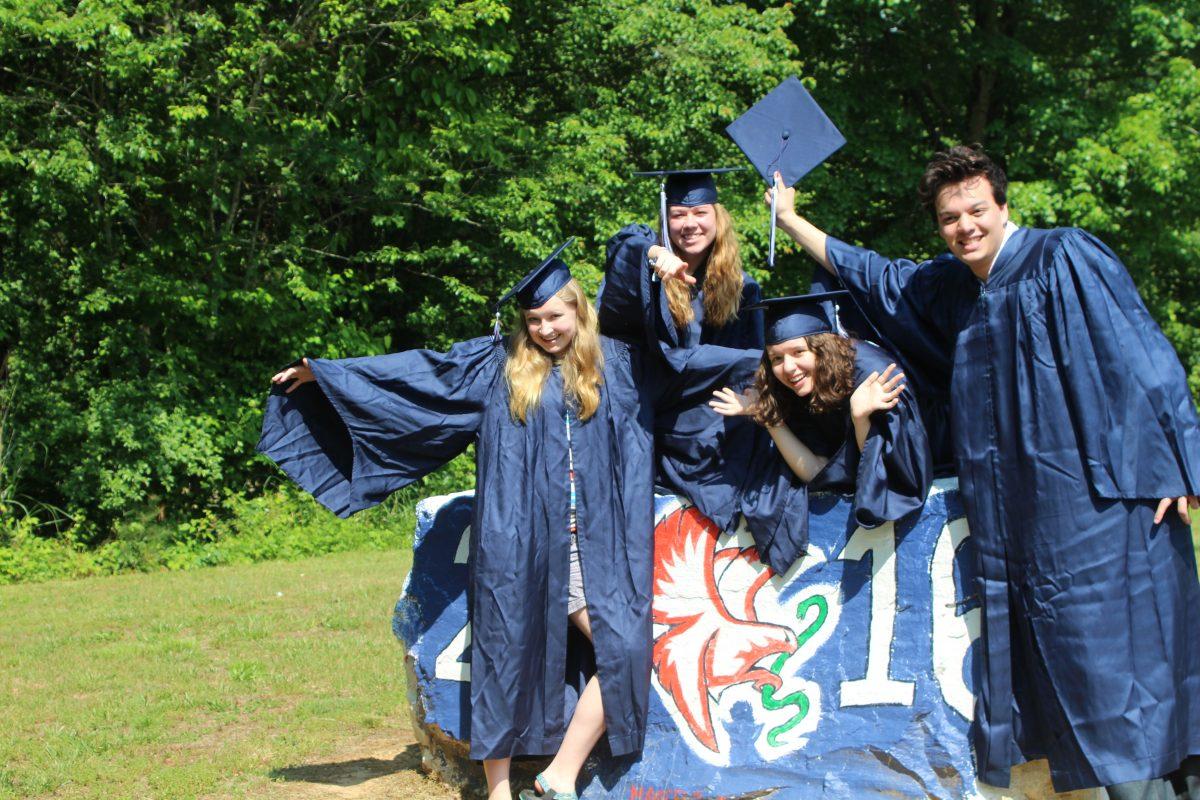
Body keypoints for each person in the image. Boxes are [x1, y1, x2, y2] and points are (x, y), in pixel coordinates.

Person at [256, 242, 758, 800]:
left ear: (579, 310)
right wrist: (325, 376)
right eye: (535, 320)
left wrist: (776, 385)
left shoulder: (621, 363)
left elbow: (689, 364)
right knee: (504, 654)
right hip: (517, 539)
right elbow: (419, 376)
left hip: (597, 546)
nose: (545, 329)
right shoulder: (495, 368)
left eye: (555, 316)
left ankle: (558, 775)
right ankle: (498, 790)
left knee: (628, 651)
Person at [771, 146, 1200, 796]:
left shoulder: (1065, 257)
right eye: (950, 217)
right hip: (1025, 528)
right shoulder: (953, 289)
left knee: (1128, 672)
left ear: (1001, 205)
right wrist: (792, 221)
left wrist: (1171, 462)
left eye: (976, 209)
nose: (965, 225)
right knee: (1082, 685)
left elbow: (1136, 354)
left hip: (1099, 516)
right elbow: (879, 276)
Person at [708, 292, 933, 572]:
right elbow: (818, 472)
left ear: (822, 348)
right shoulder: (796, 387)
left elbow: (885, 480)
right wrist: (768, 418)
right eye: (776, 358)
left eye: (798, 352)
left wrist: (861, 416)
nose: (788, 368)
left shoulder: (875, 377)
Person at [598, 168, 763, 351]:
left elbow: (750, 360)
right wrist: (655, 254)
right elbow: (622, 248)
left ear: (718, 219)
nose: (690, 224)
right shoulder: (649, 272)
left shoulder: (742, 288)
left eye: (701, 213)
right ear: (666, 221)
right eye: (678, 214)